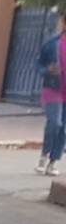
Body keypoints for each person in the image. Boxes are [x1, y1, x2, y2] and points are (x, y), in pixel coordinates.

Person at [38, 10, 64, 178]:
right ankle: (44, 155)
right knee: (55, 123)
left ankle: (54, 161)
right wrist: (48, 70)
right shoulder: (52, 43)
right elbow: (39, 65)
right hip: (53, 89)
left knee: (65, 129)